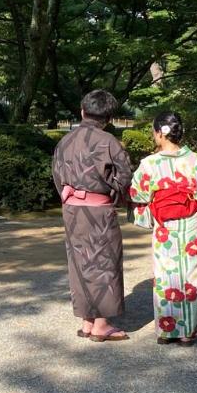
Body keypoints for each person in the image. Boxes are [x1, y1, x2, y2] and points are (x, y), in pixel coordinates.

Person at [129, 111, 197, 346]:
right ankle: (187, 332)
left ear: (160, 133)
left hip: (165, 227)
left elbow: (137, 192)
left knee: (165, 276)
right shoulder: (195, 160)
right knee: (191, 277)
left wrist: (149, 203)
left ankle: (166, 331)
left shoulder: (149, 163)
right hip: (193, 224)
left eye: (154, 131)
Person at [52, 90, 133, 343]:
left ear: (82, 111)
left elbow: (56, 175)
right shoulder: (108, 141)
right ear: (108, 117)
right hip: (99, 209)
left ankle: (87, 320)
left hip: (72, 210)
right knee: (104, 261)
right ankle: (101, 324)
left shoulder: (64, 141)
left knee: (78, 261)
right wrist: (115, 194)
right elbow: (125, 176)